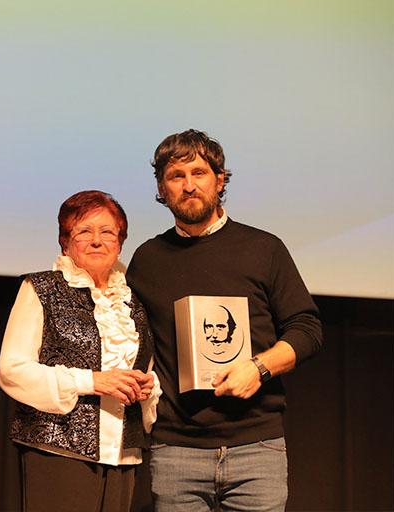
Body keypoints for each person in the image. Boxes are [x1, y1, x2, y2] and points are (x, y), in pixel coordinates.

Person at [127, 129, 323, 511]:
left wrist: (259, 367)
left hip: (257, 447)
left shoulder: (263, 248)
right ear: (161, 189)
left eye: (198, 173)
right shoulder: (147, 259)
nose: (188, 186)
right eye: (175, 176)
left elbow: (308, 328)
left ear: (219, 180)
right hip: (175, 449)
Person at [0, 190, 161, 512]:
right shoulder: (41, 289)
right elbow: (11, 370)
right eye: (84, 231)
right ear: (65, 241)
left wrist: (147, 387)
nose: (97, 241)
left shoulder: (133, 303)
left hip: (122, 456)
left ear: (120, 242)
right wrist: (91, 381)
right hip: (58, 452)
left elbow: (148, 370)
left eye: (107, 232)